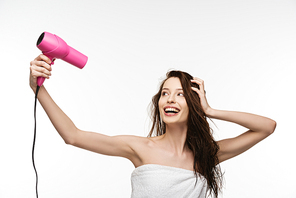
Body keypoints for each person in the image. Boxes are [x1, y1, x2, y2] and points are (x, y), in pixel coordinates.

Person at [29, 54, 276, 198]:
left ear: (193, 103)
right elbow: (73, 136)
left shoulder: (207, 156)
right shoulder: (140, 147)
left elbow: (266, 127)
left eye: (180, 94)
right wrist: (37, 89)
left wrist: (211, 111)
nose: (170, 99)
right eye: (165, 93)